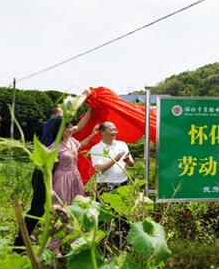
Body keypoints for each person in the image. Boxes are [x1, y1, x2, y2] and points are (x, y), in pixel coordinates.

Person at [14, 92, 90, 251]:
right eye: (63, 114)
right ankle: (21, 243)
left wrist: (92, 110)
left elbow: (79, 127)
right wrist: (85, 94)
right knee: (40, 208)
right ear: (56, 115)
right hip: (44, 170)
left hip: (54, 168)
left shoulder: (63, 133)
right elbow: (73, 116)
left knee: (55, 207)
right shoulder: (53, 123)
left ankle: (35, 240)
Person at [47, 114, 98, 255]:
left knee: (75, 210)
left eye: (70, 127)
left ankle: (73, 243)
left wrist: (93, 135)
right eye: (68, 128)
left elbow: (81, 145)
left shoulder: (72, 141)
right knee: (60, 212)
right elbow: (48, 169)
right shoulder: (54, 147)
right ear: (60, 130)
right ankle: (55, 248)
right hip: (61, 179)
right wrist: (50, 188)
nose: (71, 129)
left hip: (75, 179)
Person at [90, 121, 134, 196]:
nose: (115, 132)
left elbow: (132, 164)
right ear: (102, 132)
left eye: (115, 129)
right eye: (111, 130)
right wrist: (115, 159)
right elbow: (98, 168)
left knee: (123, 207)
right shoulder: (96, 148)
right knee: (105, 207)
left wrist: (128, 161)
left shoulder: (122, 144)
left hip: (123, 183)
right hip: (105, 185)